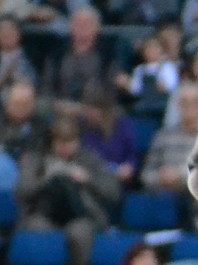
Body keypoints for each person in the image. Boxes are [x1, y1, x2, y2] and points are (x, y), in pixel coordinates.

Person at [16, 116, 121, 265]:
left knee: (79, 232)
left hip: (82, 214)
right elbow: (20, 192)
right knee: (37, 228)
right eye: (61, 143)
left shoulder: (89, 159)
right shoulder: (37, 159)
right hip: (43, 212)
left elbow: (114, 192)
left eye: (71, 142)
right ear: (52, 142)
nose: (66, 148)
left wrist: (88, 179)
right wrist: (45, 179)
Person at [141, 81, 198, 193]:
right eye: (184, 103)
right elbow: (145, 175)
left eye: (194, 103)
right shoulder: (163, 136)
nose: (189, 107)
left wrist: (180, 177)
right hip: (164, 197)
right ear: (177, 105)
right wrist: (160, 178)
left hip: (195, 200)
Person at [42, 7, 106, 104]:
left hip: (96, 107)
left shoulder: (108, 56)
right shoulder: (57, 55)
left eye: (87, 24)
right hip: (61, 106)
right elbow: (47, 86)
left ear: (97, 28)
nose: (82, 28)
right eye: (78, 24)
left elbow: (110, 87)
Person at [79, 85, 139, 186]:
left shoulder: (122, 125)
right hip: (91, 178)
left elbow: (132, 155)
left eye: (96, 109)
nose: (92, 113)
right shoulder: (82, 128)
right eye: (89, 109)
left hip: (116, 180)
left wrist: (129, 166)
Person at [114, 34, 178, 119]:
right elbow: (136, 89)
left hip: (161, 107)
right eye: (148, 48)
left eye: (155, 48)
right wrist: (127, 84)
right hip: (144, 106)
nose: (151, 51)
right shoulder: (140, 70)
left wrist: (164, 86)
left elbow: (173, 85)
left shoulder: (167, 67)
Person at [0, 80, 46, 160]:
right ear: (7, 103)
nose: (20, 109)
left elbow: (35, 156)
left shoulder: (39, 124)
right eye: (17, 104)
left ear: (33, 105)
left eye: (25, 105)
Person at [0, 16, 37, 90]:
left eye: (11, 29)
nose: (6, 33)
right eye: (2, 30)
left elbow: (35, 81)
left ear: (19, 33)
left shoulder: (32, 55)